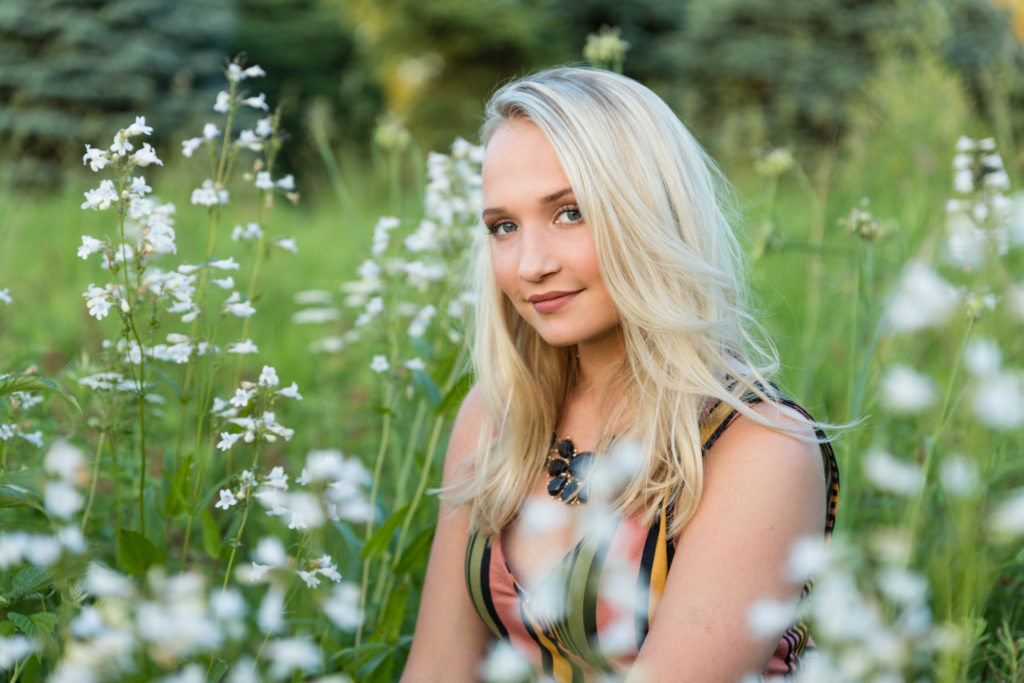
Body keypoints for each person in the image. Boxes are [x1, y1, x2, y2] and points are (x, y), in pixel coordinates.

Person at [401, 67, 839, 682]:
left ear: (649, 213)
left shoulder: (758, 448)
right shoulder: (495, 416)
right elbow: (439, 669)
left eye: (570, 212)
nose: (530, 265)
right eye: (504, 226)